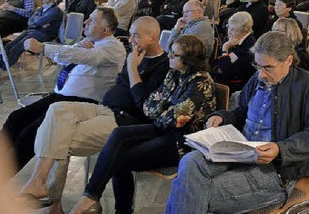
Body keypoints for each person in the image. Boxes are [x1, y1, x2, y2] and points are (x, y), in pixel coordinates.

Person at [18, 16, 169, 214]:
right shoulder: (136, 54)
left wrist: (132, 68)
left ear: (153, 37)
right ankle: (38, 181)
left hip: (124, 121)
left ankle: (53, 205)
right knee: (57, 109)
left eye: (136, 36)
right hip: (104, 108)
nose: (130, 40)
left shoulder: (164, 66)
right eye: (130, 34)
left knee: (59, 137)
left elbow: (145, 106)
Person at [165, 32, 309, 213]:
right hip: (241, 151)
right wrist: (222, 117)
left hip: (275, 168)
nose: (260, 75)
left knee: (191, 191)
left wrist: (281, 149)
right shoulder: (257, 78)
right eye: (257, 66)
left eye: (268, 68)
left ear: (288, 61)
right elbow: (241, 112)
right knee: (190, 162)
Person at [69, 34, 216, 214]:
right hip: (164, 130)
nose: (169, 57)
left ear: (189, 59)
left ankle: (114, 207)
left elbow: (177, 119)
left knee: (119, 158)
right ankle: (90, 196)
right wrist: (163, 114)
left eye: (174, 55)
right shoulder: (175, 73)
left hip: (183, 142)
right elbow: (149, 106)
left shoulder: (201, 82)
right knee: (119, 133)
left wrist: (162, 114)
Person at [0, 7, 126, 173]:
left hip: (81, 102)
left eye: (92, 20)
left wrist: (43, 48)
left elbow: (83, 57)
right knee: (16, 118)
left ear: (106, 29)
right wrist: (79, 46)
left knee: (30, 134)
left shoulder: (112, 47)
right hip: (61, 96)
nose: (85, 22)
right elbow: (65, 60)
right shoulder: (93, 43)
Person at [0, 0, 62, 71]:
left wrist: (37, 21)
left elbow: (39, 21)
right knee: (9, 45)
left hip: (46, 33)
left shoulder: (55, 11)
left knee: (18, 47)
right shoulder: (42, 8)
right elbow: (30, 21)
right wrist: (38, 22)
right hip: (35, 30)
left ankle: (2, 68)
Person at [212, 12, 256, 93]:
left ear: (244, 32)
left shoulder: (249, 47)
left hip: (236, 89)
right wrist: (221, 67)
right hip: (220, 81)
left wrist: (225, 50)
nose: (229, 32)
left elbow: (229, 73)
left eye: (234, 30)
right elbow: (214, 64)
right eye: (229, 27)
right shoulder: (231, 38)